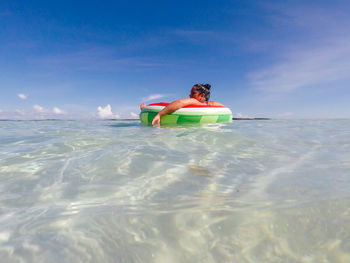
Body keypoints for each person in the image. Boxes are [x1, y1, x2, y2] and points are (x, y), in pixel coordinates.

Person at [140, 83, 223, 126]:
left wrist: (159, 114)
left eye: (193, 93)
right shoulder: (213, 103)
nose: (190, 96)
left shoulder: (195, 101)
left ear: (202, 95)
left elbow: (180, 102)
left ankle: (144, 109)